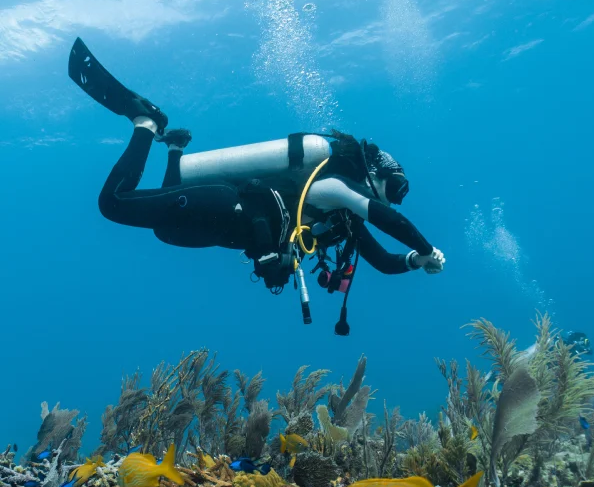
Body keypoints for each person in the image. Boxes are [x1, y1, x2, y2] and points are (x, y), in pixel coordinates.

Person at [69, 38, 445, 330]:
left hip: (225, 228)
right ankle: (145, 121)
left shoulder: (344, 220)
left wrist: (417, 260)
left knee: (163, 229)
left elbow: (381, 261)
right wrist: (427, 245)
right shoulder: (333, 187)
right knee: (113, 204)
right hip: (228, 205)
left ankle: (174, 150)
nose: (395, 201)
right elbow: (385, 219)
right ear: (373, 174)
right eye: (395, 189)